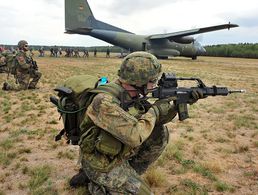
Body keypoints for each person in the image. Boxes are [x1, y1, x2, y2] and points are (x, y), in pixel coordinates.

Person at [69, 51, 204, 194]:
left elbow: (155, 120)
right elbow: (135, 136)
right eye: (153, 81)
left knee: (159, 132)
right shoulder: (104, 102)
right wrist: (155, 110)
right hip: (99, 161)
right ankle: (96, 184)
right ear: (139, 82)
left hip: (116, 151)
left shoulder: (131, 94)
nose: (155, 85)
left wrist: (177, 105)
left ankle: (128, 174)